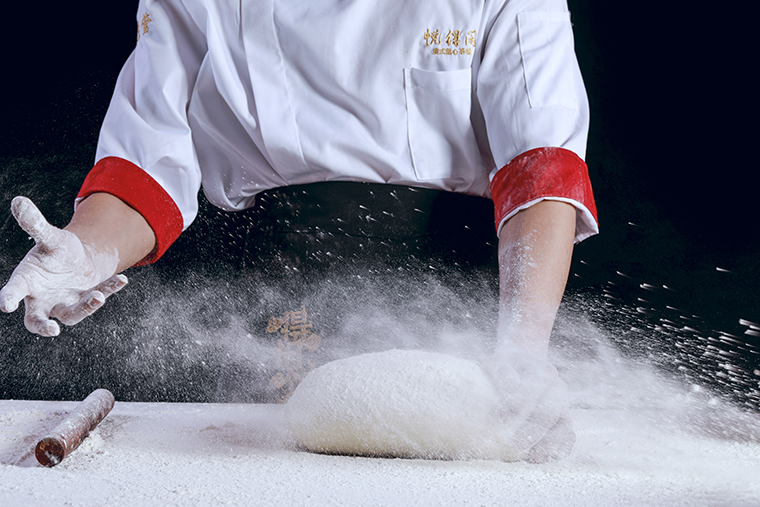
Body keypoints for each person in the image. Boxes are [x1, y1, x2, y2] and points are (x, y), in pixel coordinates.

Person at [0, 0, 597, 462]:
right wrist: (86, 251)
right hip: (273, 307)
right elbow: (146, 165)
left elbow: (542, 170)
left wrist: (522, 352)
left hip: (455, 308)